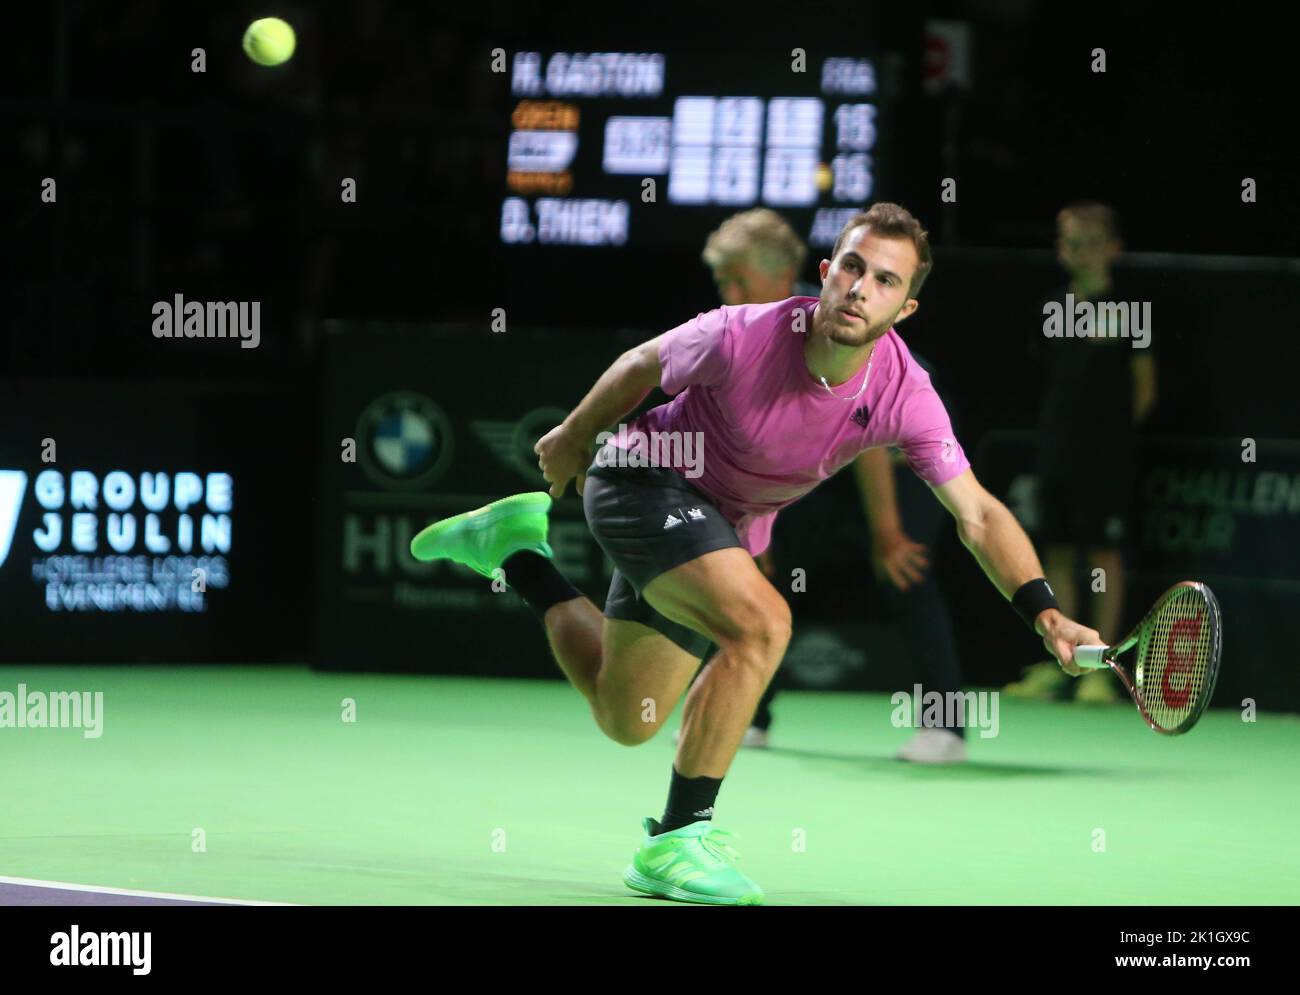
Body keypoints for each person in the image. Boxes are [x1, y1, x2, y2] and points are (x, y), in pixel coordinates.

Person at [412, 202, 1102, 906]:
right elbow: (641, 364)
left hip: (722, 524)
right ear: (829, 273)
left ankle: (516, 552)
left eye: (886, 281)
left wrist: (1047, 614)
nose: (863, 288)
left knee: (629, 715)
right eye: (855, 268)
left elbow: (978, 511)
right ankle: (677, 839)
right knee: (763, 624)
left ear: (906, 306)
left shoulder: (905, 391)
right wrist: (573, 433)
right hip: (643, 478)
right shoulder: (746, 332)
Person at [694, 207, 968, 762]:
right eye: (722, 279)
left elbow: (865, 435)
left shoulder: (825, 321)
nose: (727, 290)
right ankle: (747, 715)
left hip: (894, 454)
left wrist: (886, 533)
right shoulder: (745, 331)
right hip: (823, 464)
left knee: (903, 569)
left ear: (782, 275)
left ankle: (947, 729)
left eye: (738, 278)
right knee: (751, 573)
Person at [1005, 203, 1156, 704]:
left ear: (1114, 247)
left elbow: (1144, 388)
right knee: (1060, 551)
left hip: (1108, 455)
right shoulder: (1052, 307)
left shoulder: (1133, 311)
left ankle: (1102, 667)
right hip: (1057, 450)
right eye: (1071, 241)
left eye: (1092, 240)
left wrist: (1110, 436)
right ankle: (1062, 663)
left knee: (1103, 553)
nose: (1081, 251)